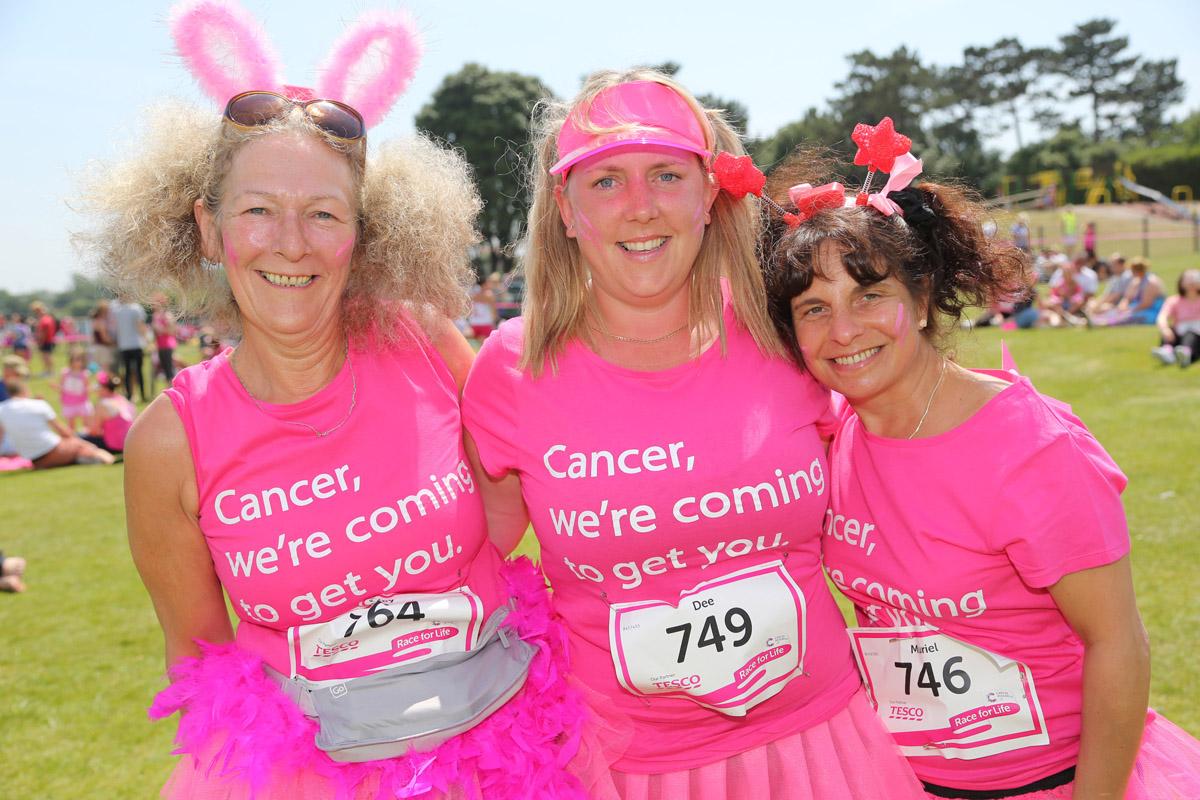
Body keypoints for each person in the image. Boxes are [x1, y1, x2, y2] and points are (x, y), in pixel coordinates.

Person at [77, 5, 585, 798]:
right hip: (305, 776)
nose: (291, 242)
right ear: (209, 230)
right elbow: (201, 664)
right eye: (257, 211)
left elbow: (522, 502)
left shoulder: (426, 343)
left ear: (363, 233)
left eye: (323, 213)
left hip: (503, 752)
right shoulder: (168, 442)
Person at [463, 71, 925, 799]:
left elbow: (898, 499)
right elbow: (470, 564)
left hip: (823, 749)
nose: (640, 207)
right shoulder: (515, 369)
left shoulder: (784, 331)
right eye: (606, 181)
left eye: (667, 175)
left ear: (710, 194)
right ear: (566, 209)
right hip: (625, 768)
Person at [760, 130, 1200, 799]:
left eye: (869, 295)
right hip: (911, 783)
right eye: (814, 309)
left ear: (923, 294)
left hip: (1056, 783)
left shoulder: (1031, 449)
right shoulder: (834, 436)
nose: (843, 331)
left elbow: (1118, 644)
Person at [0, 375, 114, 468]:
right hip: (51, 450)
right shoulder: (38, 405)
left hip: (35, 461)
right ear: (24, 389)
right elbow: (63, 431)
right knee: (85, 446)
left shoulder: (2, 409)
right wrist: (78, 440)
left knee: (76, 448)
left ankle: (83, 458)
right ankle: (111, 461)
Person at [1089, 257, 1165, 326]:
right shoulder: (1136, 281)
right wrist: (1122, 306)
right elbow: (1127, 298)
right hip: (1136, 308)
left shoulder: (1151, 282)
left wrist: (1130, 310)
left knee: (1126, 317)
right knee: (1115, 312)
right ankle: (1095, 320)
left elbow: (1146, 304)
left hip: (1150, 312)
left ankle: (1104, 323)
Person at [1151, 268, 1200, 367]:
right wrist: (1165, 329)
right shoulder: (1173, 300)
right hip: (1178, 333)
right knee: (1171, 331)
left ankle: (1186, 354)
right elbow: (1162, 316)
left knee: (1190, 335)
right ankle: (1167, 351)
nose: (1191, 284)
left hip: (1197, 334)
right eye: (1188, 281)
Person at [82, 372, 137, 453]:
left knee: (78, 437)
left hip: (114, 445)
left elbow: (94, 431)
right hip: (129, 444)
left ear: (104, 388)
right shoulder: (122, 399)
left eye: (98, 387)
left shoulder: (103, 404)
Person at [110, 296, 148, 402]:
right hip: (137, 344)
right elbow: (140, 326)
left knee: (127, 372)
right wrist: (146, 341)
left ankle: (129, 395)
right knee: (139, 371)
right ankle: (143, 395)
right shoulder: (136, 308)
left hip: (124, 345)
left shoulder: (117, 310)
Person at [54, 349, 94, 432]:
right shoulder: (65, 372)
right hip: (69, 402)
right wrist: (57, 387)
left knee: (86, 424)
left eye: (79, 360)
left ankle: (86, 438)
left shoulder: (85, 374)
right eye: (75, 359)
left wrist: (90, 389)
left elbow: (87, 387)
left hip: (82, 401)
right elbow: (62, 385)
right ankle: (73, 440)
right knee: (71, 424)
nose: (77, 362)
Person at [151, 292, 179, 385]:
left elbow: (172, 330)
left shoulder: (166, 315)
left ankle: (172, 388)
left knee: (169, 368)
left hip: (167, 345)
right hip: (160, 345)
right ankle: (170, 387)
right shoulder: (156, 315)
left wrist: (160, 329)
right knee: (165, 368)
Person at [466, 271, 501, 340]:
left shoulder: (472, 293)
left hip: (477, 323)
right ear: (484, 284)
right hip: (483, 324)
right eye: (488, 282)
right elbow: (493, 310)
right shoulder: (488, 294)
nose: (490, 284)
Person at [31, 301, 57, 378]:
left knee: (47, 356)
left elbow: (44, 332)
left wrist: (41, 341)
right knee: (45, 357)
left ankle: (50, 371)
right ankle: (47, 371)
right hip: (47, 340)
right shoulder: (46, 318)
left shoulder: (44, 319)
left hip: (46, 340)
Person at [90, 300, 116, 373]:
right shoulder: (101, 321)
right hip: (103, 348)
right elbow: (105, 338)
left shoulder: (95, 320)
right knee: (105, 371)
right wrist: (114, 343)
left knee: (98, 371)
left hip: (96, 347)